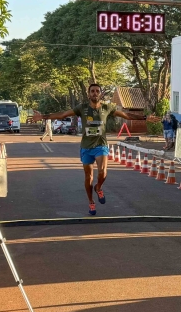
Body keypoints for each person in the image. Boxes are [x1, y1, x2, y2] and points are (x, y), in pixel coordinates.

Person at [41, 83, 160, 215]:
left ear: (101, 93)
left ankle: (99, 187)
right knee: (88, 177)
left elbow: (126, 115)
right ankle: (91, 201)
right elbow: (63, 114)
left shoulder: (107, 107)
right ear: (88, 93)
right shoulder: (82, 108)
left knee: (103, 172)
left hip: (101, 145)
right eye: (92, 91)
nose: (95, 93)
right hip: (86, 147)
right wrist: (42, 117)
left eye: (97, 91)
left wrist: (145, 117)